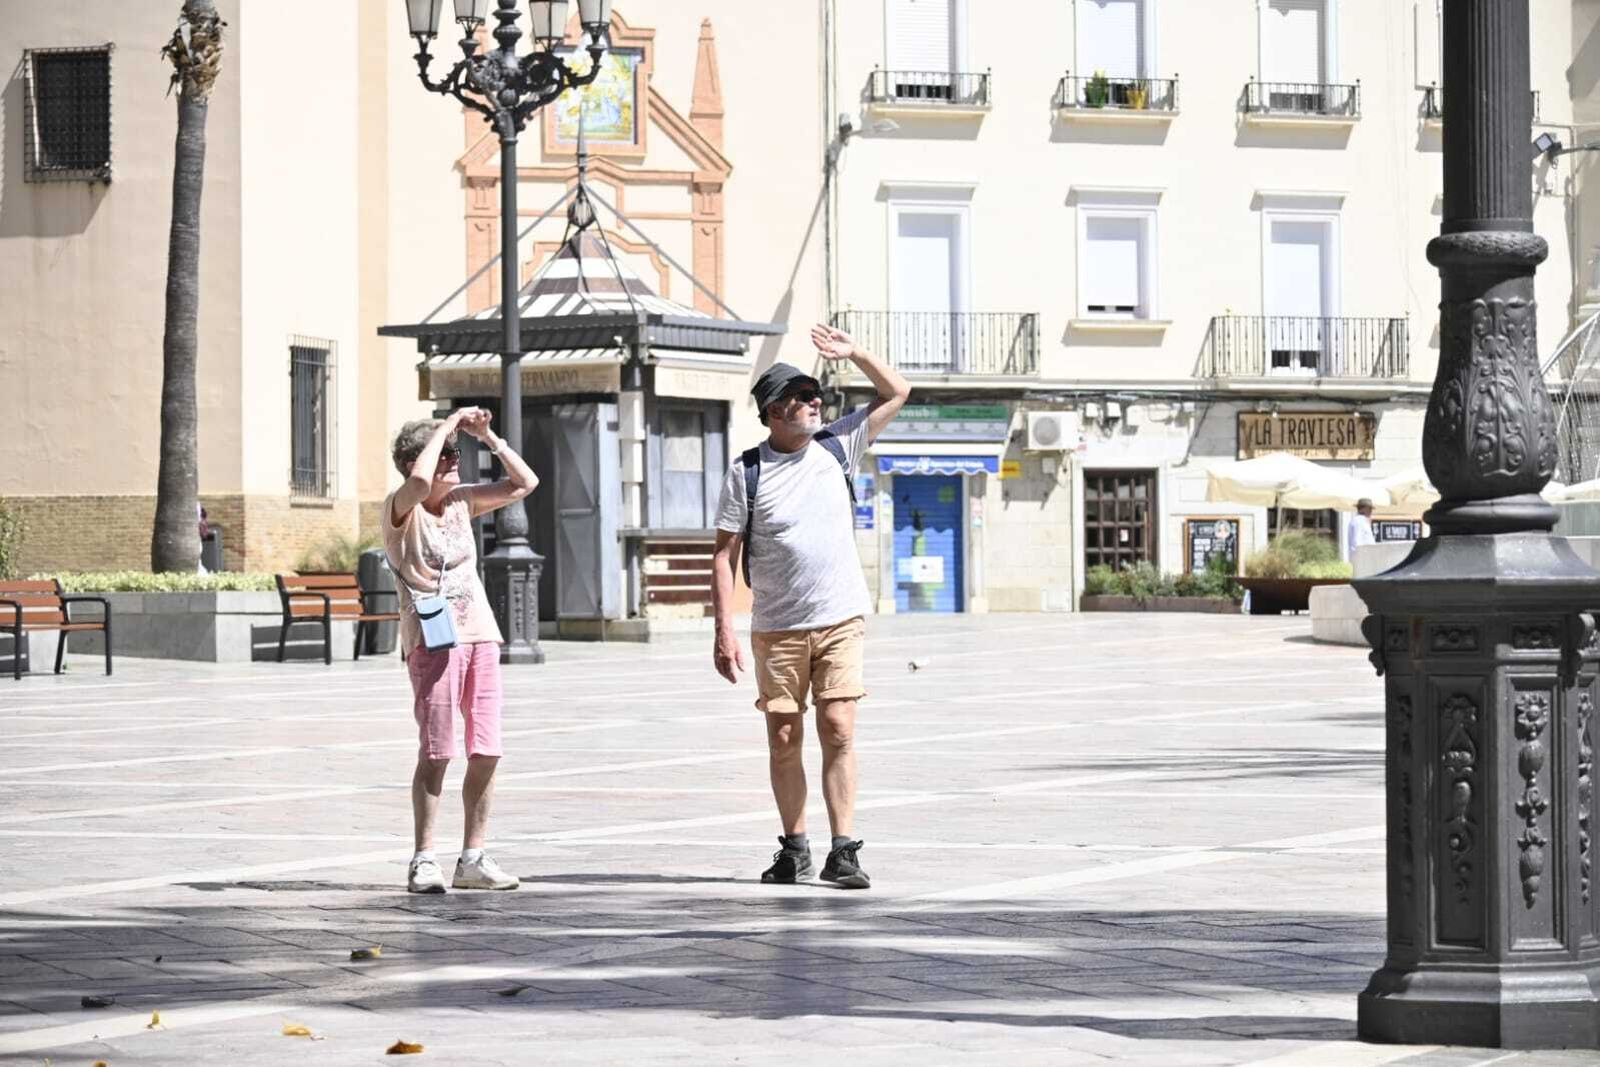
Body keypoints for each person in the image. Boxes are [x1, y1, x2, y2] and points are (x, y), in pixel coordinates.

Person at [710, 323, 910, 889]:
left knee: (839, 726)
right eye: (800, 396)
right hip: (776, 626)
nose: (813, 401)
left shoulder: (837, 444)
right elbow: (724, 557)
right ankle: (794, 847)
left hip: (840, 617)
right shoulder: (746, 472)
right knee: (782, 737)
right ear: (774, 411)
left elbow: (898, 392)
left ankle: (844, 848)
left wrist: (857, 352)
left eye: (814, 393)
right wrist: (724, 631)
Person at [383, 407, 538, 894]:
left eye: (455, 452)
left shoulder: (461, 502)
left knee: (486, 747)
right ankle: (423, 858)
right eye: (448, 454)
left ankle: (473, 856)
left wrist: (488, 437)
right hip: (432, 641)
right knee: (437, 750)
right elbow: (419, 480)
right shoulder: (400, 509)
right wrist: (447, 425)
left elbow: (524, 483)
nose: (455, 460)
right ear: (418, 462)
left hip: (479, 635)